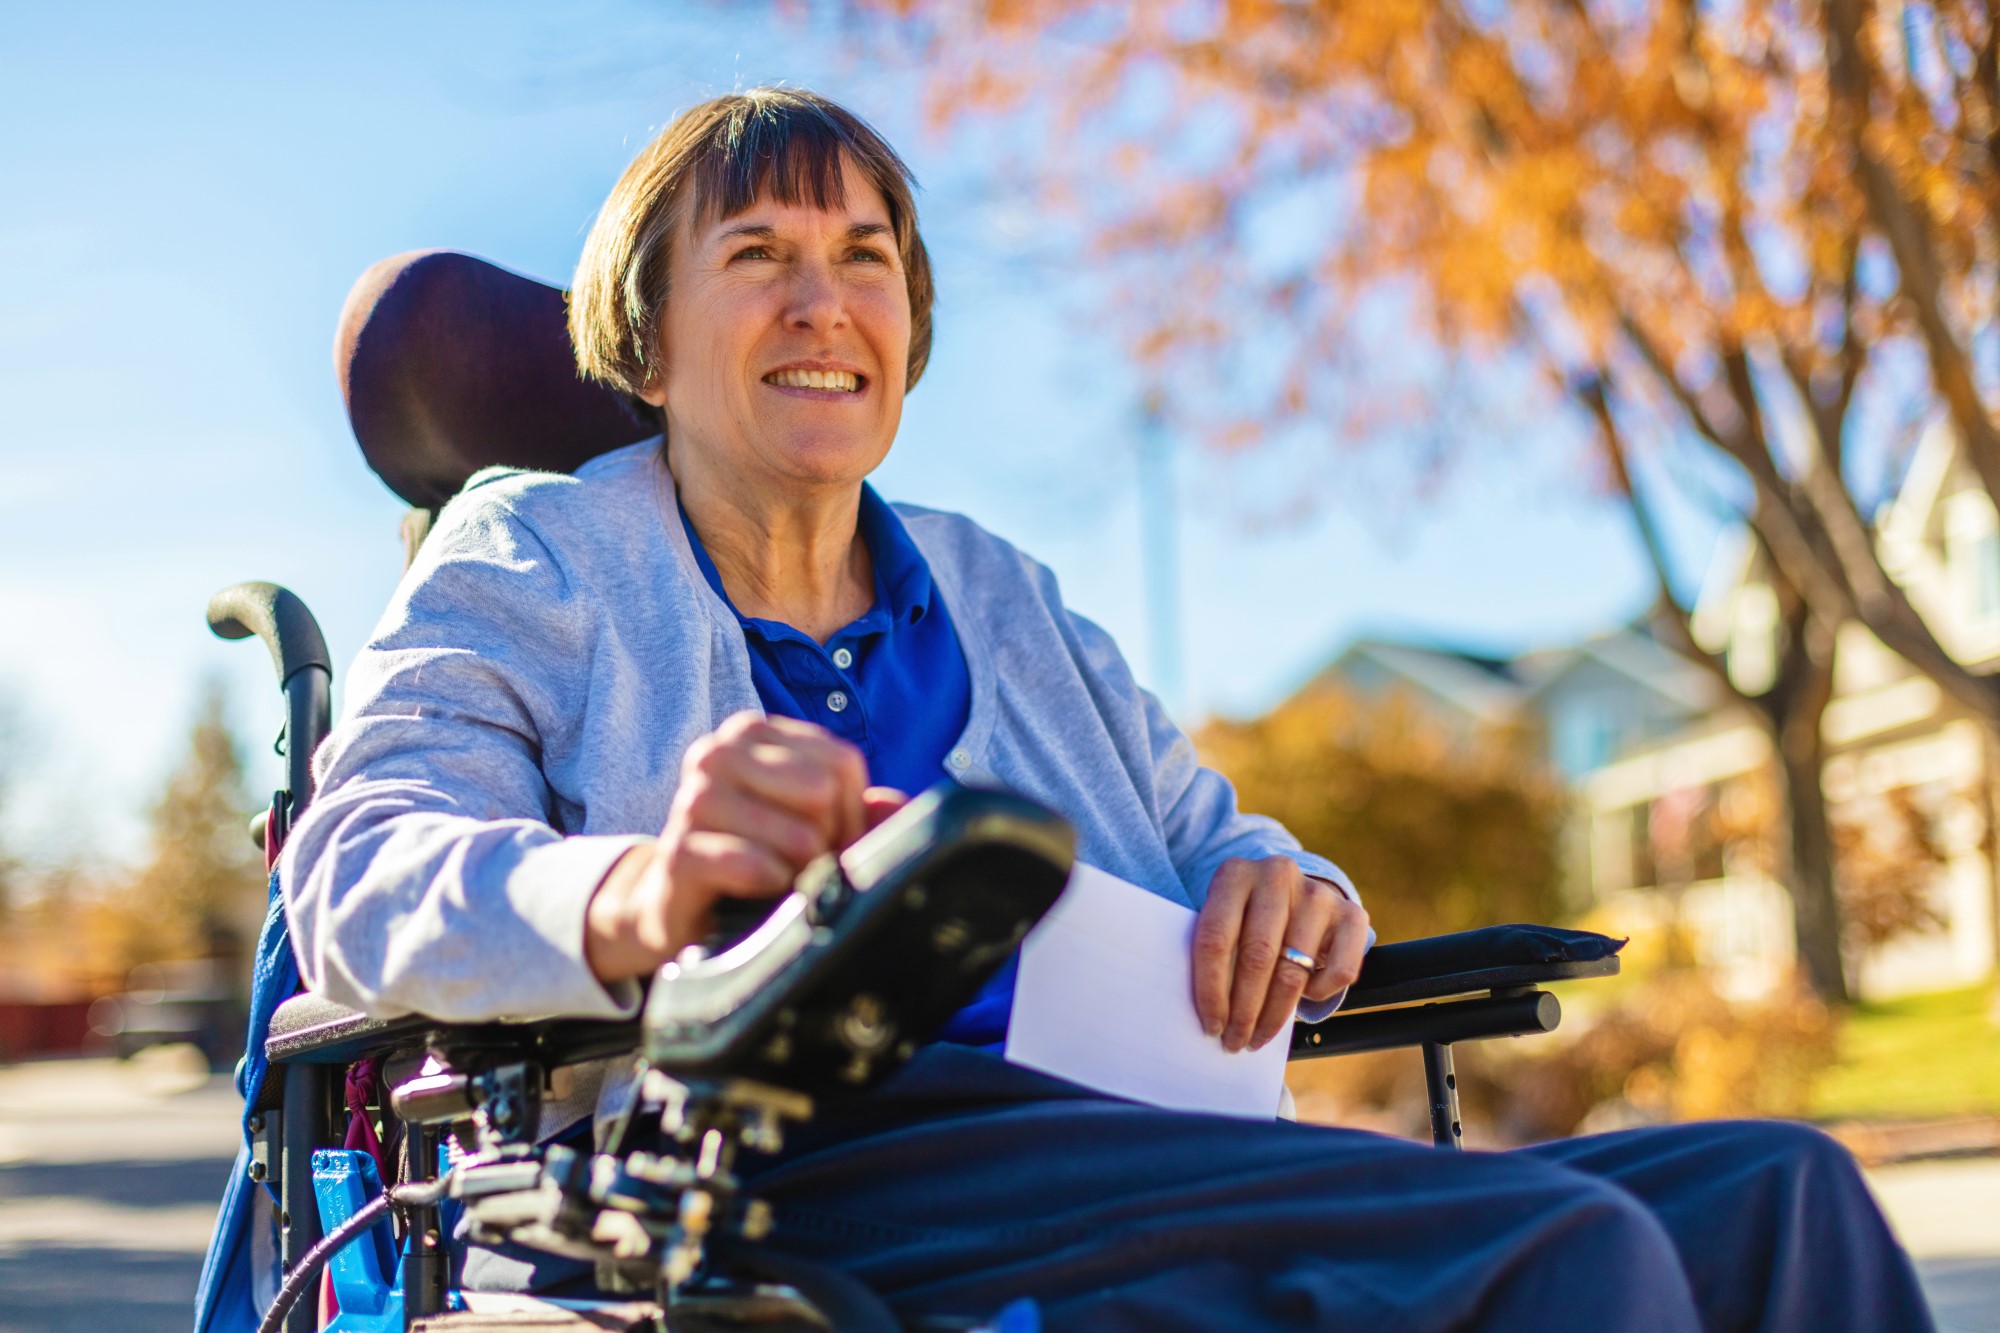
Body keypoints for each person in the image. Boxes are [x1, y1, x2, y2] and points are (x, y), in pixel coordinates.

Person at [283, 88, 1934, 1332]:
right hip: (783, 1173)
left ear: (909, 326)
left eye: (866, 259)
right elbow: (360, 861)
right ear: (647, 340)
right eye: (759, 257)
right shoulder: (545, 552)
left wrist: (1289, 888)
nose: (824, 303)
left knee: (1779, 1197)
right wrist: (632, 892)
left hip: (1122, 1140)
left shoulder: (1001, 590)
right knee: (1567, 1259)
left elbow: (1217, 835)